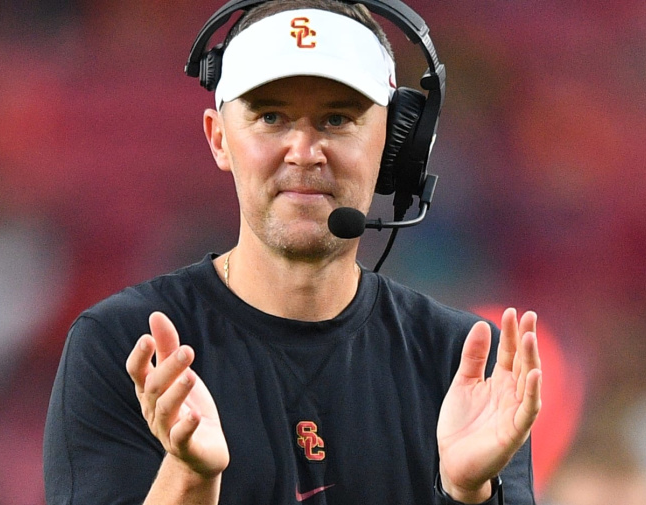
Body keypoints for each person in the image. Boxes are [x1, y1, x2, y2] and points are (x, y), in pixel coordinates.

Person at [43, 1, 542, 504]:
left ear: (395, 144)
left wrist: (468, 493)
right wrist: (190, 478)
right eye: (271, 116)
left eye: (337, 119)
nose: (304, 151)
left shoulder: (465, 365)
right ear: (219, 139)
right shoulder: (127, 349)